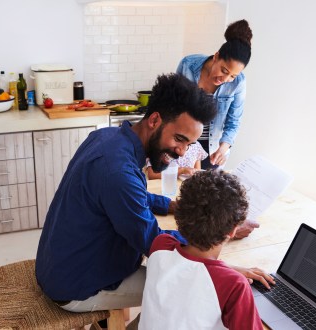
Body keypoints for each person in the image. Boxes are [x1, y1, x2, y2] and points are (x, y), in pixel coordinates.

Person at [35, 73, 271, 315]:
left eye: (189, 144)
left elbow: (130, 196)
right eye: (179, 139)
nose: (181, 152)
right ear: (155, 120)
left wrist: (174, 206)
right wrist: (221, 239)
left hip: (56, 266)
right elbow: (155, 243)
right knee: (195, 288)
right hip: (77, 286)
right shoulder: (117, 172)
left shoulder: (106, 138)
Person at [138, 171, 316, 330]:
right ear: (234, 230)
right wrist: (226, 274)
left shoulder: (161, 245)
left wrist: (225, 270)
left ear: (180, 214)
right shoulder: (233, 286)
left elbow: (191, 265)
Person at [176, 19, 253, 170]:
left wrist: (223, 149)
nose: (225, 79)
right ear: (216, 56)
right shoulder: (188, 65)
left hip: (212, 150)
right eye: (224, 70)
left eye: (232, 76)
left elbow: (233, 122)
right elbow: (174, 104)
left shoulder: (239, 83)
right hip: (184, 143)